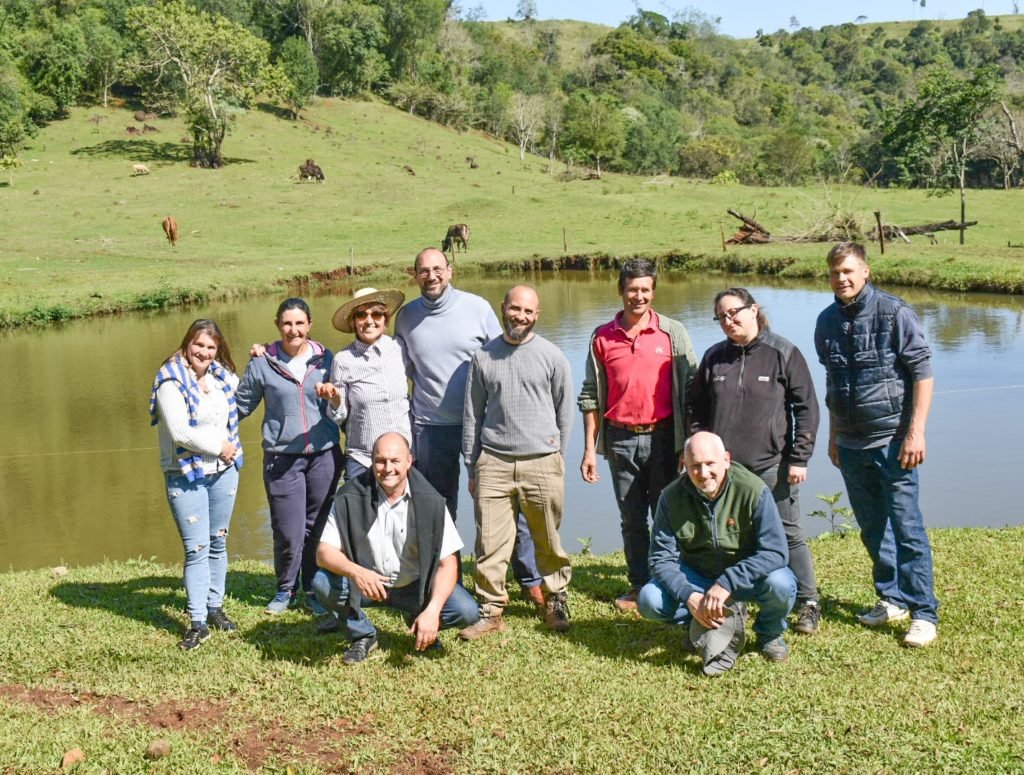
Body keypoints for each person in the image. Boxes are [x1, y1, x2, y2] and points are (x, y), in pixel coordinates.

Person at [394, 247, 544, 607]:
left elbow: (504, 356)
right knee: (439, 508)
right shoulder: (406, 317)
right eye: (424, 270)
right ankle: (449, 581)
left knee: (504, 504)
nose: (431, 276)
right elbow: (401, 374)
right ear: (414, 275)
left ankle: (529, 577)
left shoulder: (477, 308)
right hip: (430, 427)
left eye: (438, 269)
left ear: (450, 270)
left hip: (484, 424)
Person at [814, 242, 939, 648]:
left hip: (893, 441)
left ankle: (923, 613)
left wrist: (916, 432)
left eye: (848, 271)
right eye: (835, 272)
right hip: (851, 444)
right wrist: (833, 436)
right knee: (872, 528)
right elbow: (833, 382)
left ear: (865, 271)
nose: (841, 279)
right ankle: (892, 598)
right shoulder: (826, 321)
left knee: (907, 528)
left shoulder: (894, 312)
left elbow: (922, 372)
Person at [687, 287, 822, 635]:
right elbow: (695, 408)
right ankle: (740, 597)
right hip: (724, 472)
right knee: (734, 534)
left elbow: (807, 408)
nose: (728, 321)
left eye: (733, 312)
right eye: (721, 316)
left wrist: (799, 457)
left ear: (753, 309)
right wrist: (700, 453)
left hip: (771, 465)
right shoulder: (714, 357)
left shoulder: (783, 352)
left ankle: (808, 602)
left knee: (788, 532)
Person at [578, 258, 697, 612]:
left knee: (667, 515)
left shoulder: (672, 332)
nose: (639, 296)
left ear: (654, 292)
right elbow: (590, 395)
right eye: (632, 289)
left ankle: (670, 581)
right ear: (621, 291)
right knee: (631, 518)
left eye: (645, 289)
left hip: (665, 438)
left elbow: (691, 388)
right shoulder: (601, 336)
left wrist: (688, 445)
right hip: (620, 440)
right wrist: (589, 450)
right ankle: (639, 584)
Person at [459, 285, 575, 638]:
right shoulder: (483, 357)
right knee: (489, 544)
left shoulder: (552, 356)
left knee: (548, 538)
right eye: (514, 309)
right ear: (503, 308)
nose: (520, 316)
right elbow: (472, 415)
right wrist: (472, 466)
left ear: (536, 315)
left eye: (527, 311)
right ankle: (491, 610)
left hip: (542, 460)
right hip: (493, 462)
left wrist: (557, 457)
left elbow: (565, 413)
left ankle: (555, 600)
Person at [312, 432, 480, 664]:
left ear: (409, 461)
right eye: (380, 461)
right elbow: (323, 553)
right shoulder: (349, 496)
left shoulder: (430, 500)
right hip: (366, 584)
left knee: (466, 610)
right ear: (372, 462)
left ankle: (420, 621)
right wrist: (357, 572)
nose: (388, 468)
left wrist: (432, 611)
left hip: (414, 586)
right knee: (322, 583)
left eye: (395, 461)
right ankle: (362, 634)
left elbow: (448, 562)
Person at [638, 432, 797, 674]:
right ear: (684, 463)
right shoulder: (670, 497)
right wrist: (689, 595)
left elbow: (775, 552)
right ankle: (696, 620)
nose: (703, 473)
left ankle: (769, 633)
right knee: (650, 600)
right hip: (698, 577)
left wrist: (727, 582)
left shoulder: (754, 490)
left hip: (743, 580)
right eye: (695, 466)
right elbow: (661, 558)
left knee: (782, 583)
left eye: (710, 464)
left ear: (726, 459)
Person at [236, 298, 342, 614]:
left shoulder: (327, 359)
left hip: (325, 456)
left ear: (309, 325)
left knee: (317, 527)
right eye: (287, 323)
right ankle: (285, 590)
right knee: (287, 530)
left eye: (299, 323)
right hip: (281, 459)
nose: (293, 330)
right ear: (277, 325)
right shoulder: (262, 363)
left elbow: (344, 400)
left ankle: (312, 589)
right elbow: (239, 406)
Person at [149, 319, 243, 650]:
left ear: (219, 349)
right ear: (187, 344)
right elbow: (180, 432)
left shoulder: (220, 377)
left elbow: (246, 388)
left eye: (211, 347)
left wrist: (264, 354)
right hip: (185, 473)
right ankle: (197, 622)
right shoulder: (170, 381)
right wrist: (219, 446)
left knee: (218, 541)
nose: (204, 352)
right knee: (196, 549)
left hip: (224, 471)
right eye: (198, 345)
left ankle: (215, 607)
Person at [316, 287, 411, 481]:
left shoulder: (399, 348)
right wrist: (335, 400)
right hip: (363, 459)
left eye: (376, 314)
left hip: (400, 459)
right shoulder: (343, 360)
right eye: (361, 314)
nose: (369, 320)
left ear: (385, 319)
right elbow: (339, 417)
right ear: (353, 321)